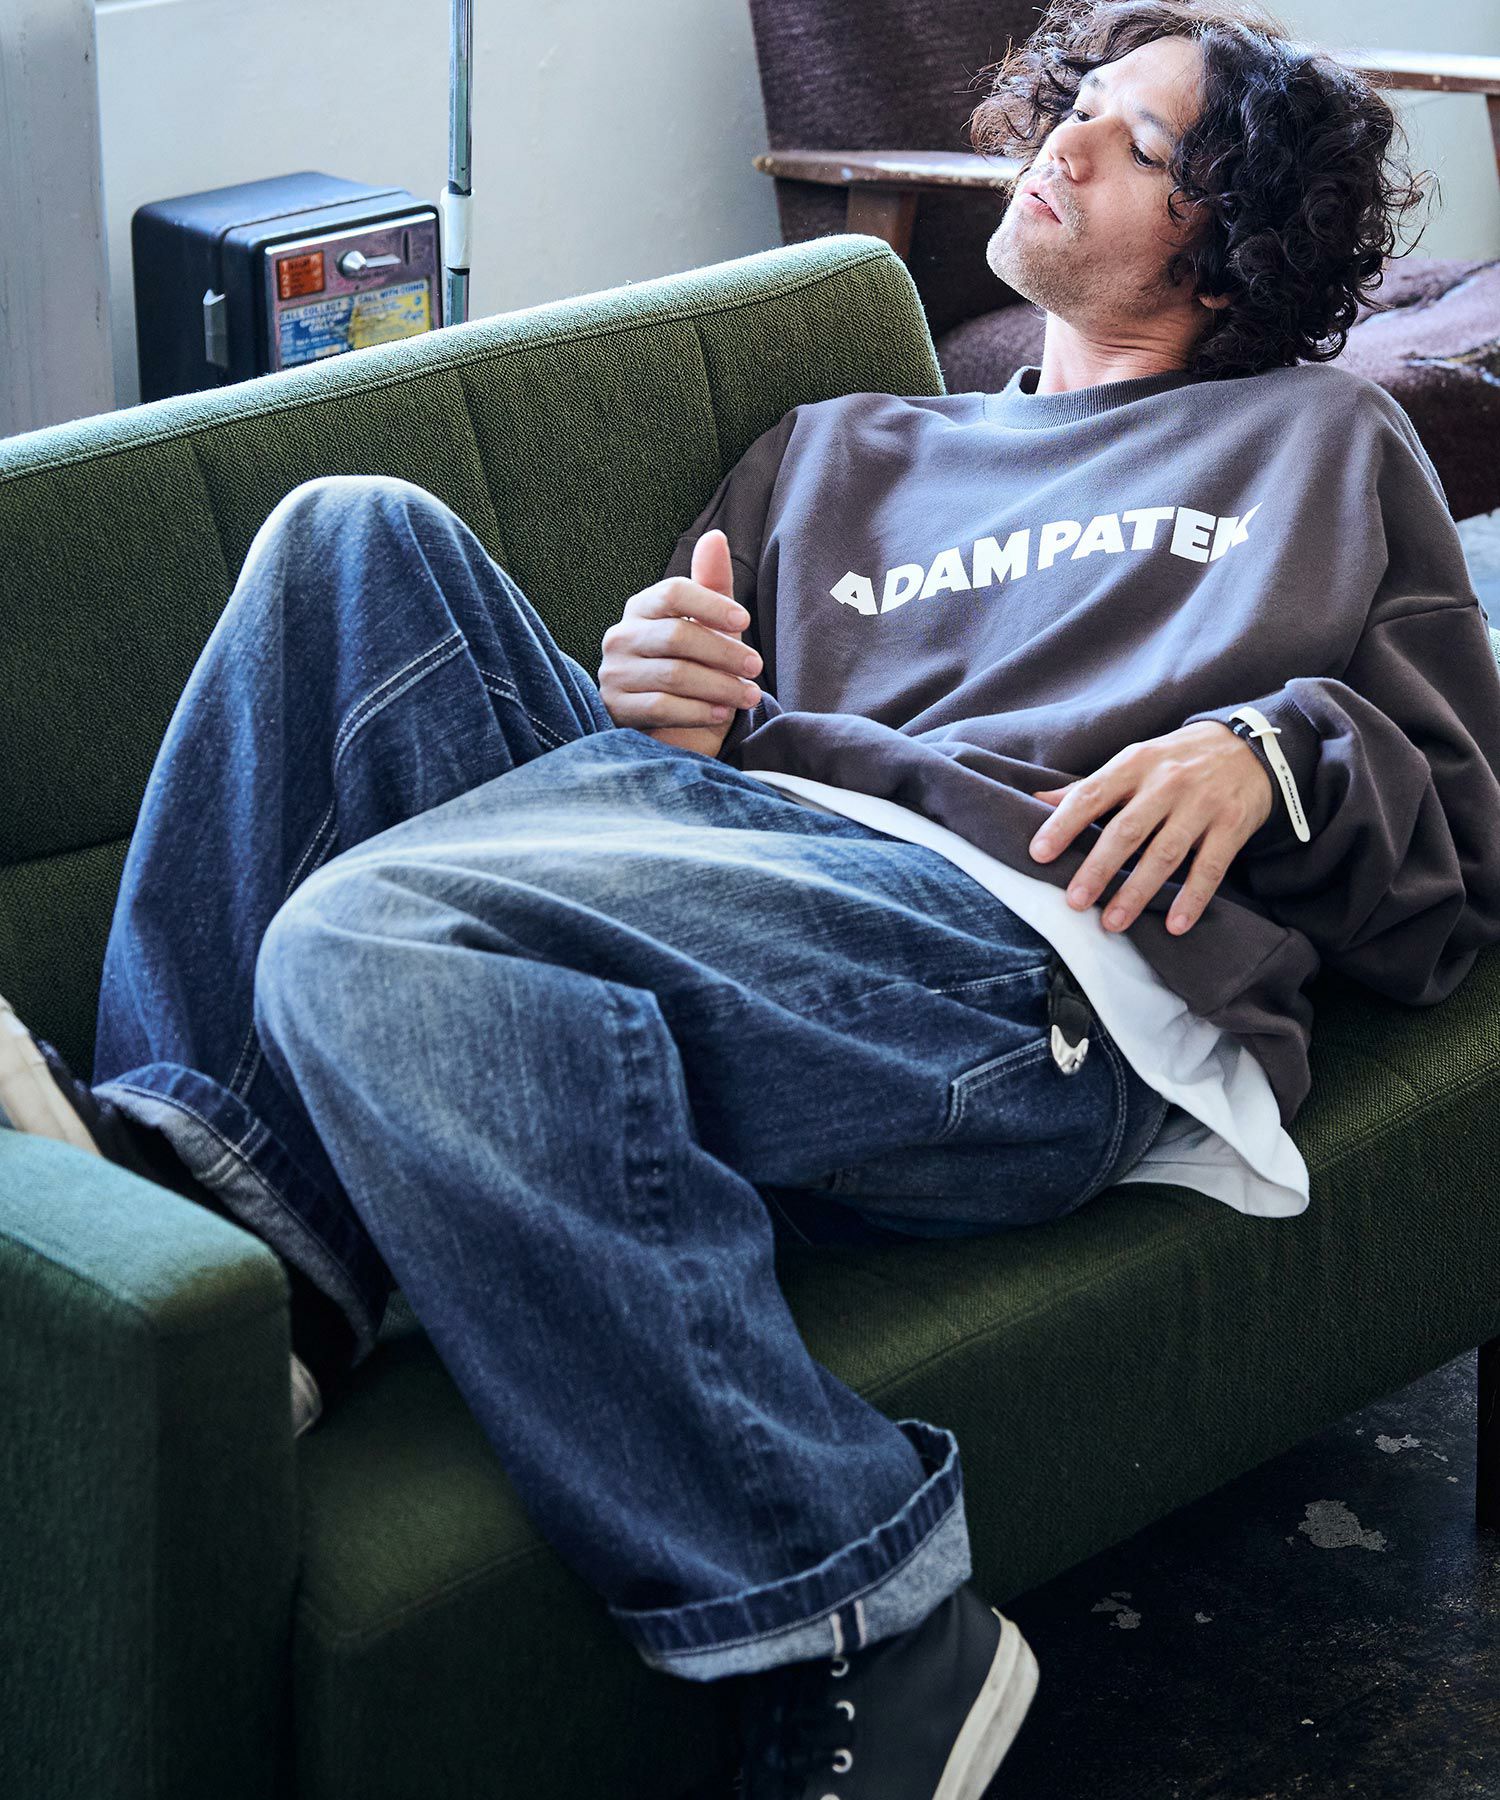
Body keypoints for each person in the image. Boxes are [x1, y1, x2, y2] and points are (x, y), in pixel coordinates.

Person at [5, 2, 1499, 1793]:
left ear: (1235, 242)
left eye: (1148, 144)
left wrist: (1277, 749)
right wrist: (654, 685)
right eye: (1081, 103)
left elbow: (1466, 841)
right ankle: (247, 1247)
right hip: (755, 869)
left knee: (371, 934)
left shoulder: (1320, 442)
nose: (1069, 141)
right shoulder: (839, 449)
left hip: (1017, 963)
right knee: (349, 533)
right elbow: (684, 774)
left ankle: (865, 1610)